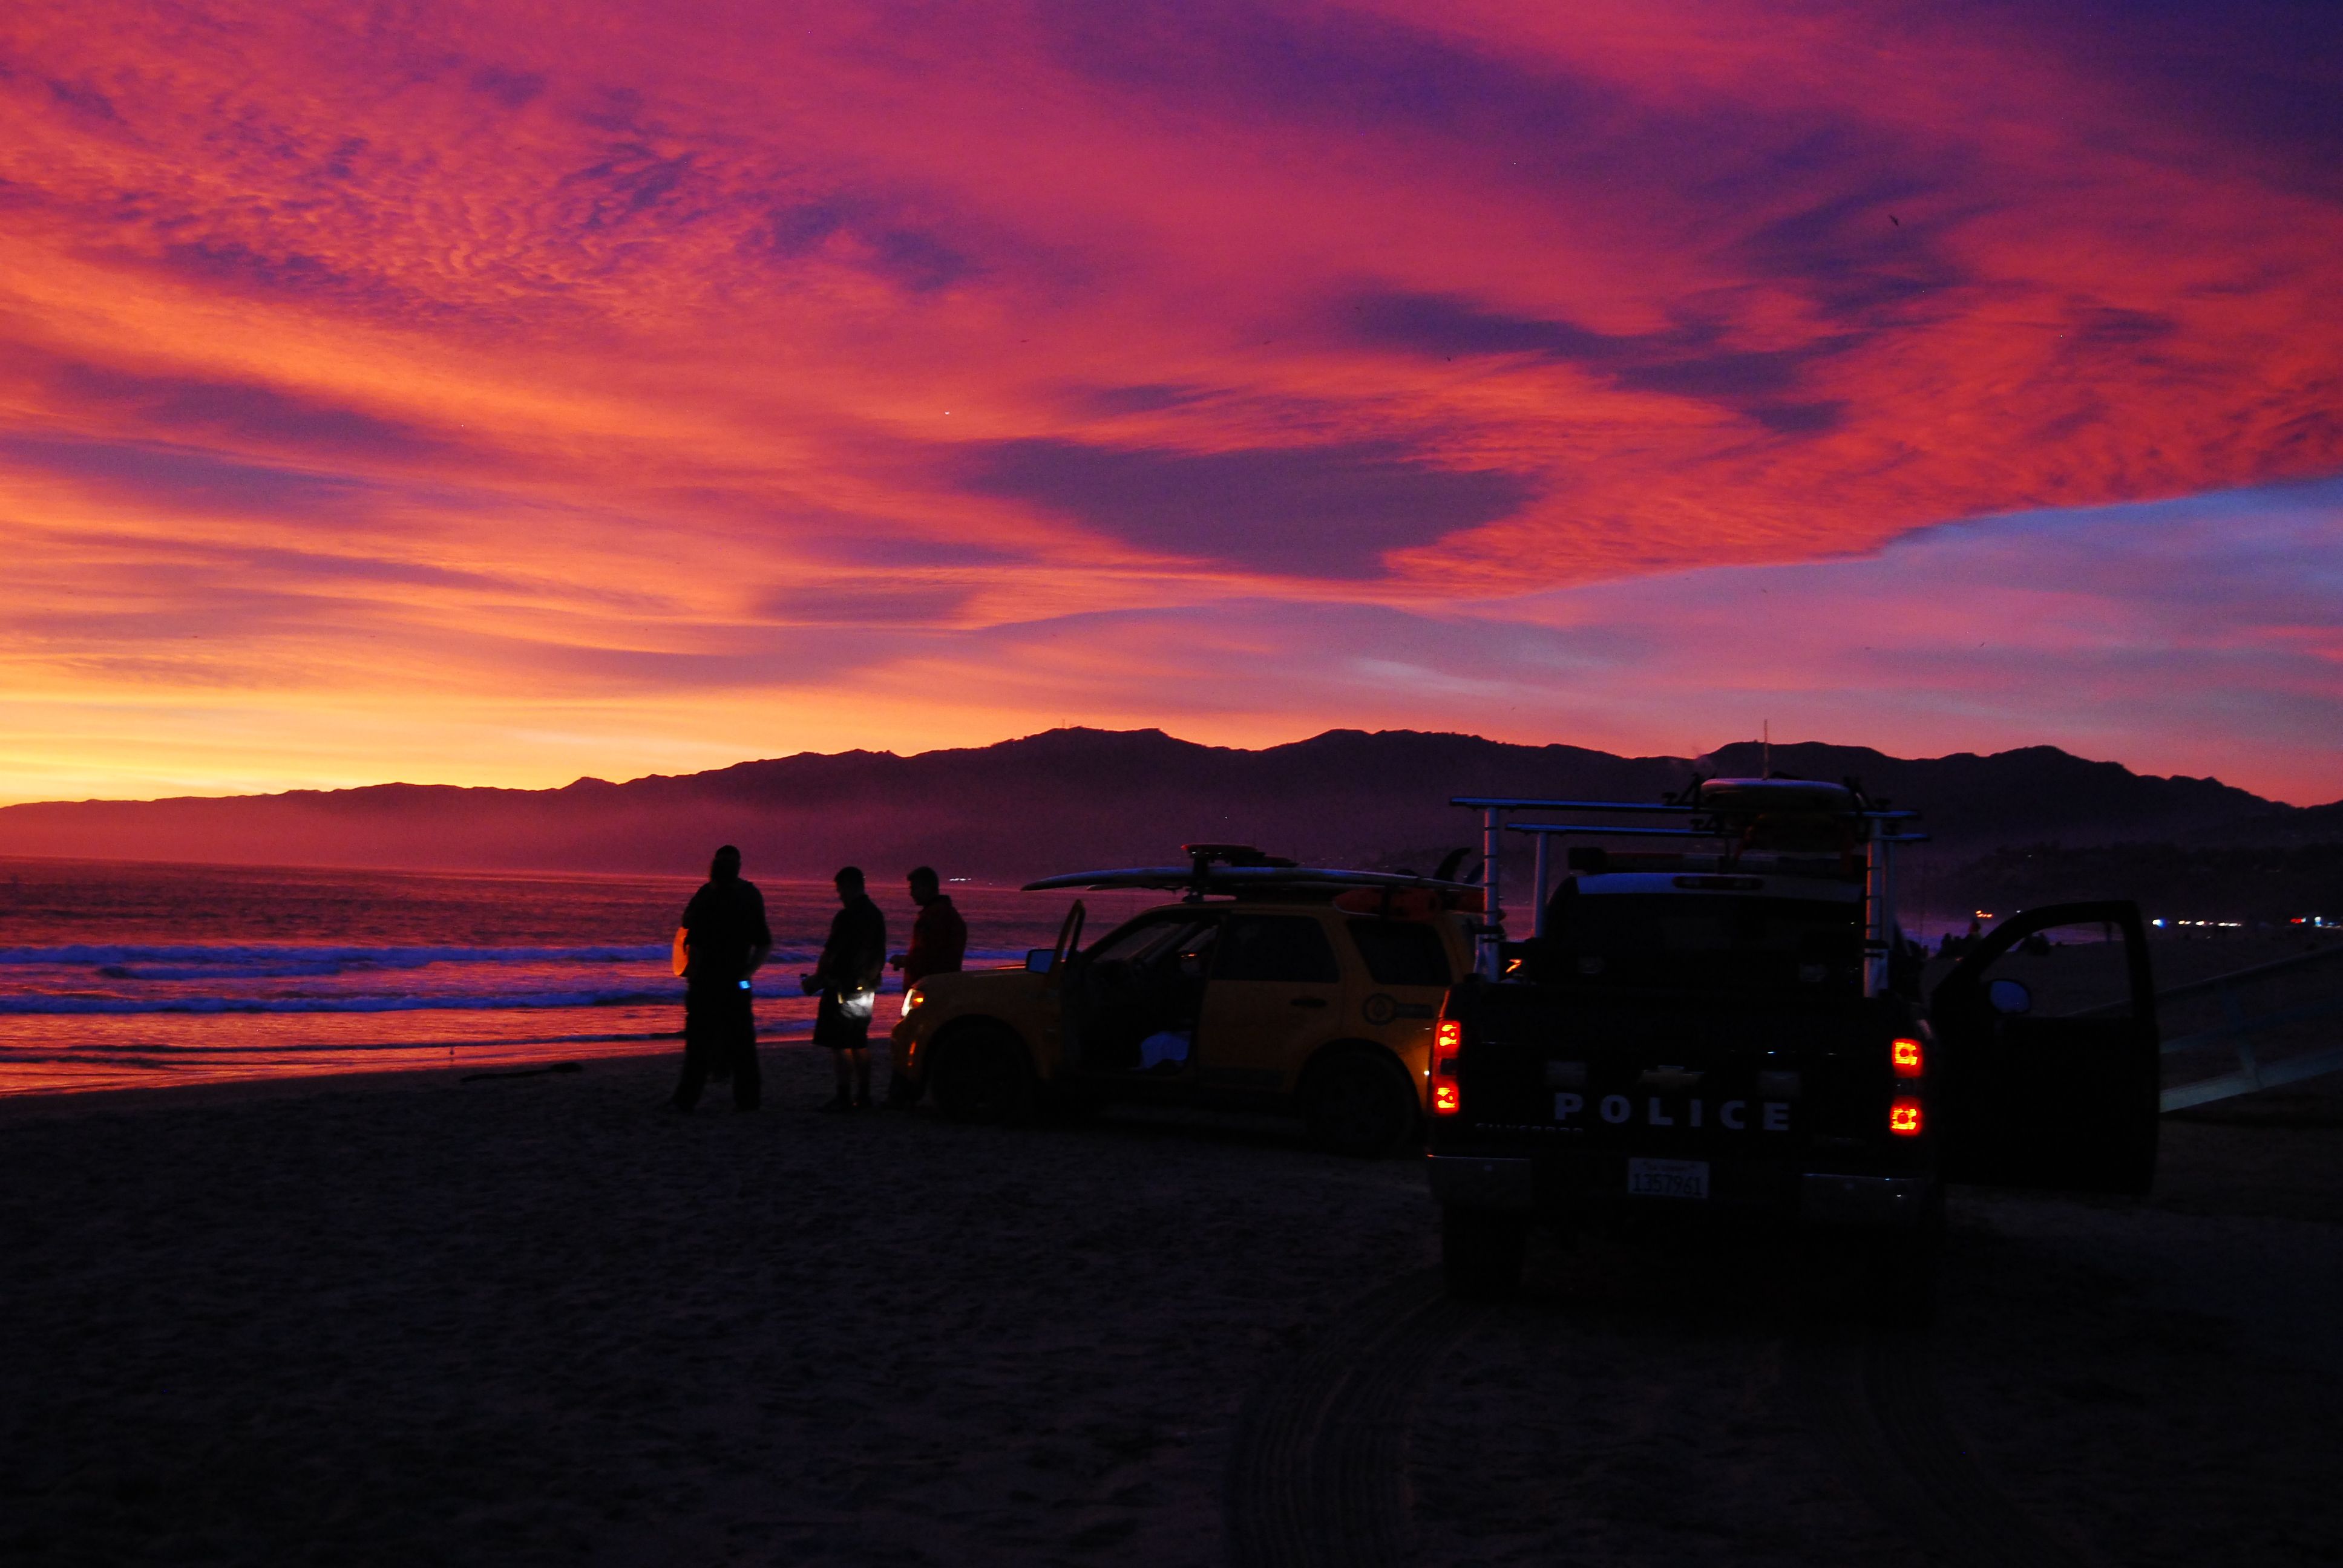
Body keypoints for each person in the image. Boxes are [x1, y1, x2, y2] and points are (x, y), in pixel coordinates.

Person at [667, 844, 772, 1112]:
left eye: (727, 862)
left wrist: (748, 973)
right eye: (721, 861)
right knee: (705, 1044)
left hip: (725, 980)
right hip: (707, 981)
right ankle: (693, 1099)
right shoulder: (709, 893)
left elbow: (763, 942)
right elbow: (688, 925)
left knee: (735, 1043)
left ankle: (741, 1100)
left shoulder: (745, 895)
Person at [804, 865, 886, 1111]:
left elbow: (831, 953)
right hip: (866, 988)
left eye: (840, 890)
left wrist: (817, 979)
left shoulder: (847, 916)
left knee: (839, 1044)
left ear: (850, 887)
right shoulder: (876, 915)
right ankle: (864, 1095)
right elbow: (878, 953)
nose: (839, 895)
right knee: (859, 1042)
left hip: (841, 987)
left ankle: (843, 1096)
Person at [887, 866, 968, 1103]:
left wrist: (904, 960)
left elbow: (926, 956)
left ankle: (903, 1095)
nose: (911, 893)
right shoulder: (952, 915)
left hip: (927, 990)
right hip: (946, 987)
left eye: (914, 888)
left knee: (909, 1038)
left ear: (927, 887)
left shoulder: (930, 918)